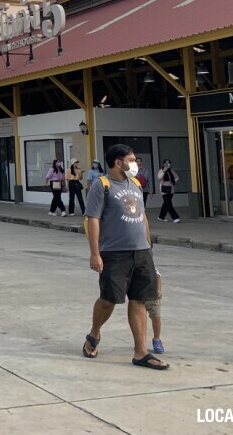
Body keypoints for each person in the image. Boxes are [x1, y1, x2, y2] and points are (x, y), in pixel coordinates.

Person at [82, 143, 168, 370]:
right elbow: (93, 219)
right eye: (131, 159)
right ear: (119, 162)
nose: (135, 164)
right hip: (114, 253)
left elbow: (143, 216)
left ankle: (140, 352)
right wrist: (95, 253)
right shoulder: (102, 186)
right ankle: (94, 333)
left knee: (139, 299)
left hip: (141, 252)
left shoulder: (136, 184)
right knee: (109, 299)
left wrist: (149, 246)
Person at [145, 271, 165, 354]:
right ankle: (141, 341)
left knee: (156, 317)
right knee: (140, 320)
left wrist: (158, 289)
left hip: (152, 295)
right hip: (138, 295)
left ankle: (157, 339)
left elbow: (158, 276)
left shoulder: (149, 263)